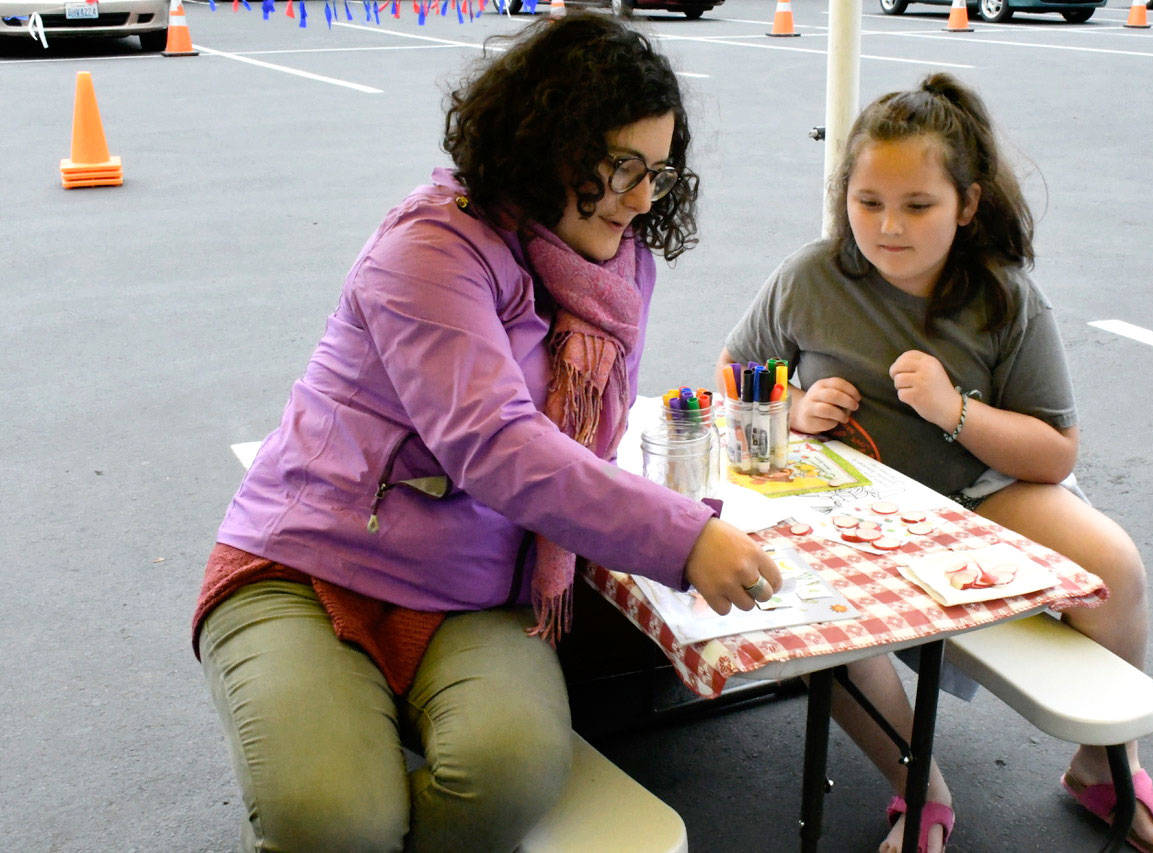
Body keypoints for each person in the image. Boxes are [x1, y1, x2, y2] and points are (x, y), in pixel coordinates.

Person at [193, 14, 781, 851]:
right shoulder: (431, 244)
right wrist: (684, 537)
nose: (645, 199)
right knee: (334, 818)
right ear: (546, 146)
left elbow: (583, 448)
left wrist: (668, 523)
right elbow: (495, 443)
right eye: (622, 168)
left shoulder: (617, 266)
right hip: (311, 567)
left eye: (658, 172)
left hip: (475, 588)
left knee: (509, 774)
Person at [719, 74, 1153, 853]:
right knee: (811, 627)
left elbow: (1055, 449)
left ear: (967, 205)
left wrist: (956, 411)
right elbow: (738, 372)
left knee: (1116, 567)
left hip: (979, 491)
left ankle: (1105, 766)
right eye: (868, 202)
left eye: (917, 206)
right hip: (853, 504)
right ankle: (920, 786)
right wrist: (791, 408)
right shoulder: (810, 276)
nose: (887, 227)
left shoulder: (1006, 297)